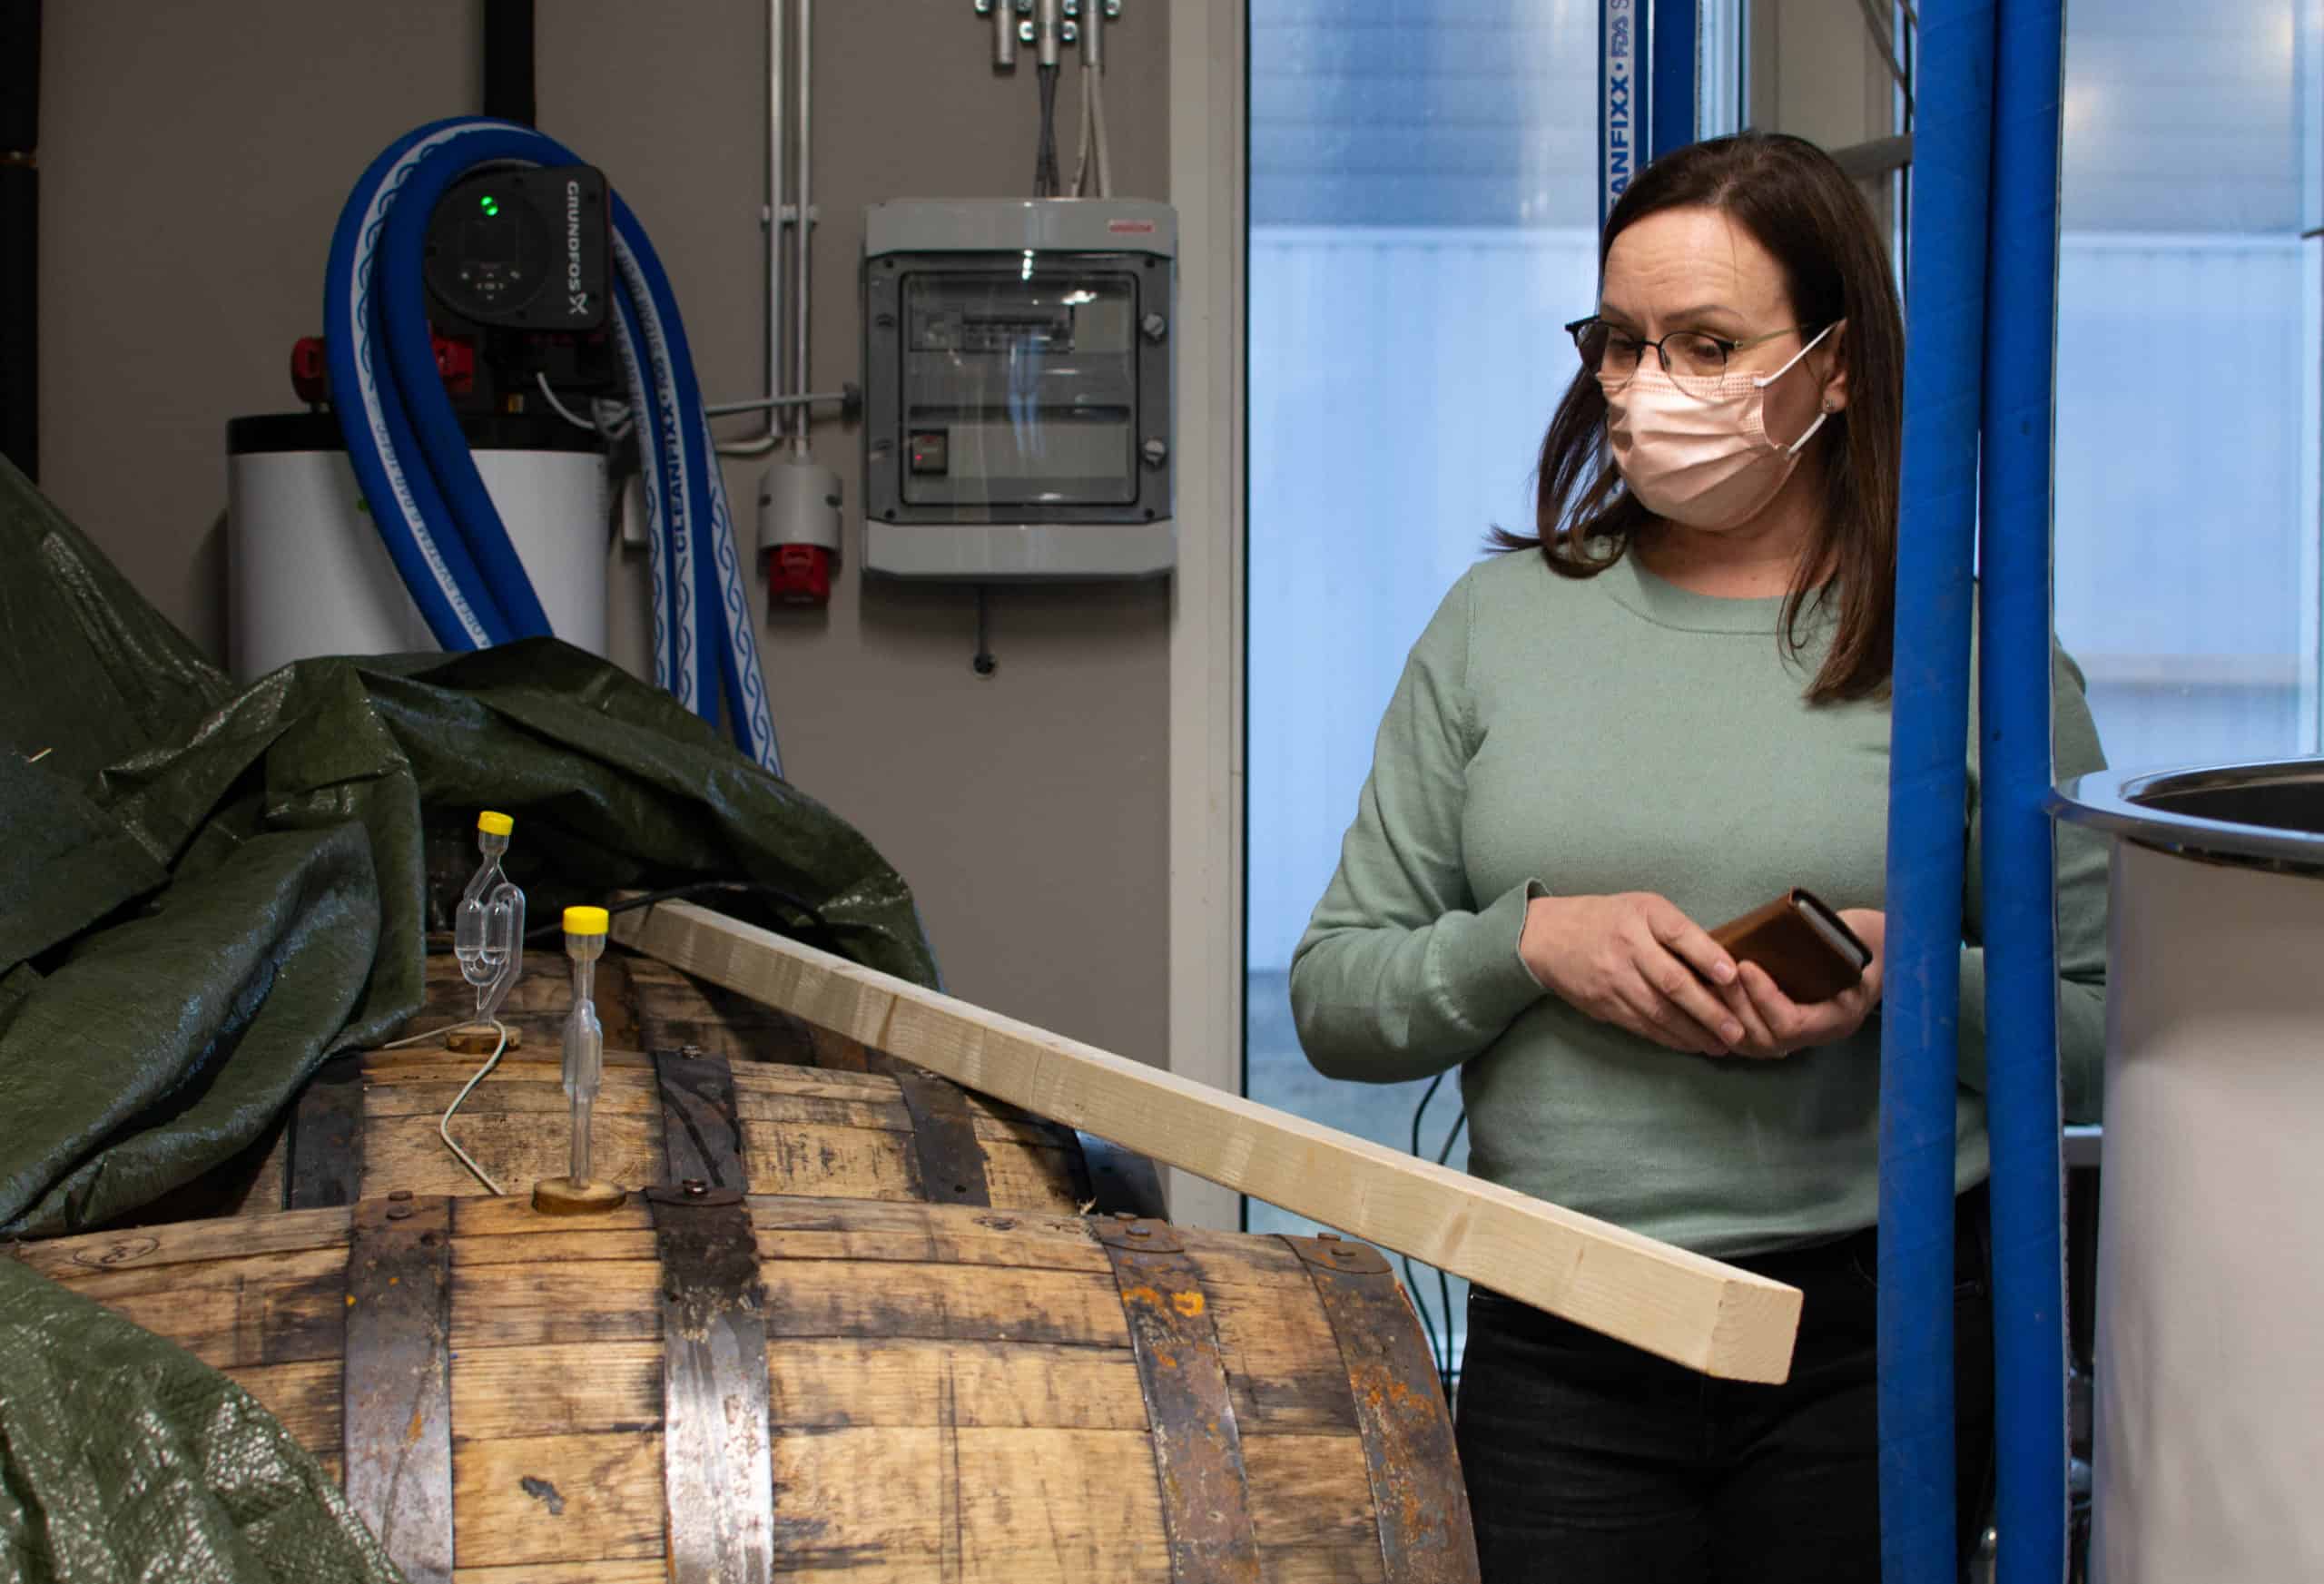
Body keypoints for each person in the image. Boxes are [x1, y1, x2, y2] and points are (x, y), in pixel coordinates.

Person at [1287, 131, 2109, 1583]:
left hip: (1880, 1332)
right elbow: (1335, 998)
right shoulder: (1498, 626)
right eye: (1620, 340)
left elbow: (2103, 1037)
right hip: (1563, 1328)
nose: (1644, 386)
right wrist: (1528, 943)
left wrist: (1906, 980)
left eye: (1709, 345)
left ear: (1837, 366)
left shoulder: (1974, 649)